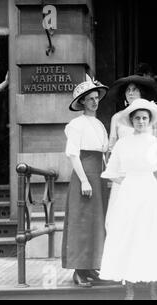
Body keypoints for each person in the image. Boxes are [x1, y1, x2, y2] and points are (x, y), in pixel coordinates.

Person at [99, 98, 157, 300]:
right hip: (129, 193)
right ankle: (130, 288)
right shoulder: (122, 144)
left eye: (144, 118)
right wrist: (126, 183)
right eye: (137, 118)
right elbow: (111, 172)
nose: (141, 122)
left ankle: (153, 287)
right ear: (132, 121)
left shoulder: (156, 144)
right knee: (129, 237)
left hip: (150, 193)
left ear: (150, 121)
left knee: (150, 236)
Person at [62, 77, 109, 287]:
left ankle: (91, 266)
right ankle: (78, 270)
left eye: (96, 98)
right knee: (82, 222)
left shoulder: (98, 124)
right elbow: (73, 155)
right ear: (81, 102)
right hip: (85, 175)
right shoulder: (75, 124)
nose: (94, 102)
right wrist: (84, 180)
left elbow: (104, 153)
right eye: (89, 99)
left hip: (98, 175)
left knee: (95, 222)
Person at [104, 65, 157, 226]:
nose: (131, 93)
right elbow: (111, 146)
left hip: (145, 174)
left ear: (141, 93)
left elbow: (156, 146)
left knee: (146, 218)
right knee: (121, 218)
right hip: (124, 174)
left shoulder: (150, 118)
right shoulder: (117, 118)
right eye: (128, 90)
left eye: (134, 90)